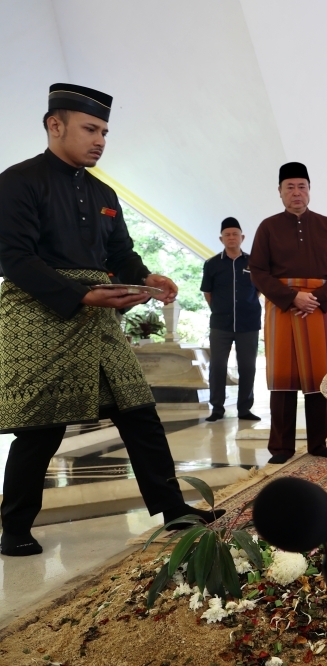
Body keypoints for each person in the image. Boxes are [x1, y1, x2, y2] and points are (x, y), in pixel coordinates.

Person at [0, 84, 222, 556]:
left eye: (104, 131)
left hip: (99, 318)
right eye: (90, 129)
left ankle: (174, 510)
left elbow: (120, 253)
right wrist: (82, 293)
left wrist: (144, 278)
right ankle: (14, 527)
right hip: (41, 314)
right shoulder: (17, 182)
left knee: (139, 411)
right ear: (54, 125)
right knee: (41, 427)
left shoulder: (104, 193)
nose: (100, 140)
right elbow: (14, 258)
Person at [249, 162, 327, 464]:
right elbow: (257, 270)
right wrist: (293, 297)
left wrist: (317, 299)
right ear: (280, 192)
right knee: (283, 375)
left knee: (319, 374)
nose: (296, 192)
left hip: (318, 309)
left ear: (309, 191)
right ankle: (281, 447)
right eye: (290, 187)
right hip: (283, 308)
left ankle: (318, 442)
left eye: (301, 186)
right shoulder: (268, 227)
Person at [201, 217, 261, 422]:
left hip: (248, 323)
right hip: (221, 324)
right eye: (227, 234)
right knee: (217, 365)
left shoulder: (254, 262)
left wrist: (247, 305)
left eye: (235, 234)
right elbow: (207, 292)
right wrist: (219, 309)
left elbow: (260, 289)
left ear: (242, 237)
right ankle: (217, 408)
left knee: (247, 366)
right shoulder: (211, 264)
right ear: (221, 239)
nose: (231, 237)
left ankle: (245, 408)